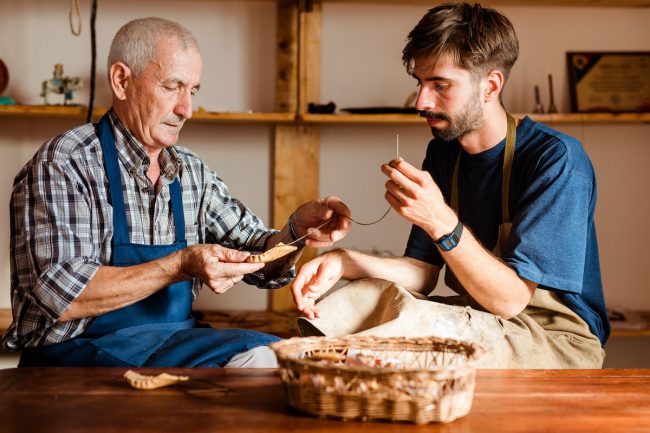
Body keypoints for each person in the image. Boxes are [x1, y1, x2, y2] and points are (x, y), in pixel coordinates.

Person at [3, 17, 351, 368]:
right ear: (122, 81)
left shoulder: (191, 171)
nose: (187, 109)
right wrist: (180, 265)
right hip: (72, 367)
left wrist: (296, 232)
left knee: (281, 356)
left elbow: (259, 261)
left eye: (193, 90)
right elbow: (59, 294)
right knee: (264, 362)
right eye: (173, 86)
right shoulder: (65, 163)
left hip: (167, 348)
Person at [291, 2, 609, 368]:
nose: (422, 102)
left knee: (409, 328)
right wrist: (345, 262)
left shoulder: (556, 159)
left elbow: (510, 301)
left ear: (490, 85)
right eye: (420, 84)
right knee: (363, 298)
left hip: (555, 338)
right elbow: (422, 274)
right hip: (485, 321)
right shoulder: (444, 154)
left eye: (440, 85)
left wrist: (441, 221)